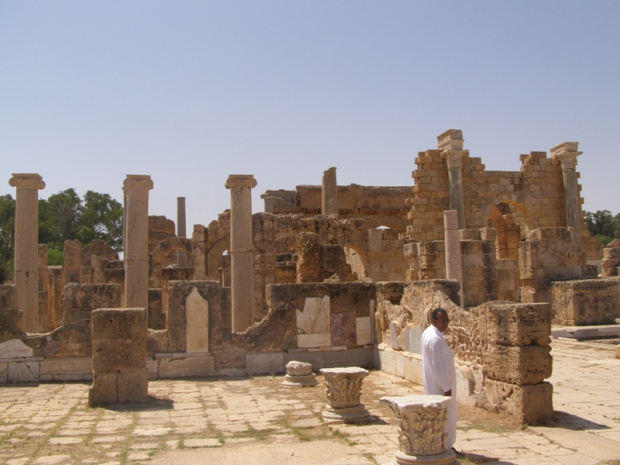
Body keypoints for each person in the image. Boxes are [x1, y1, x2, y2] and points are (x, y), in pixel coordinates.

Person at [421, 307, 457, 450]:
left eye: (447, 320)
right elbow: (438, 367)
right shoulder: (435, 339)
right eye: (442, 320)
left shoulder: (430, 333)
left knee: (437, 415)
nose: (445, 323)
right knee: (445, 416)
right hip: (440, 387)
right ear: (434, 320)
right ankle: (446, 446)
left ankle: (439, 444)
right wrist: (446, 387)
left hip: (434, 385)